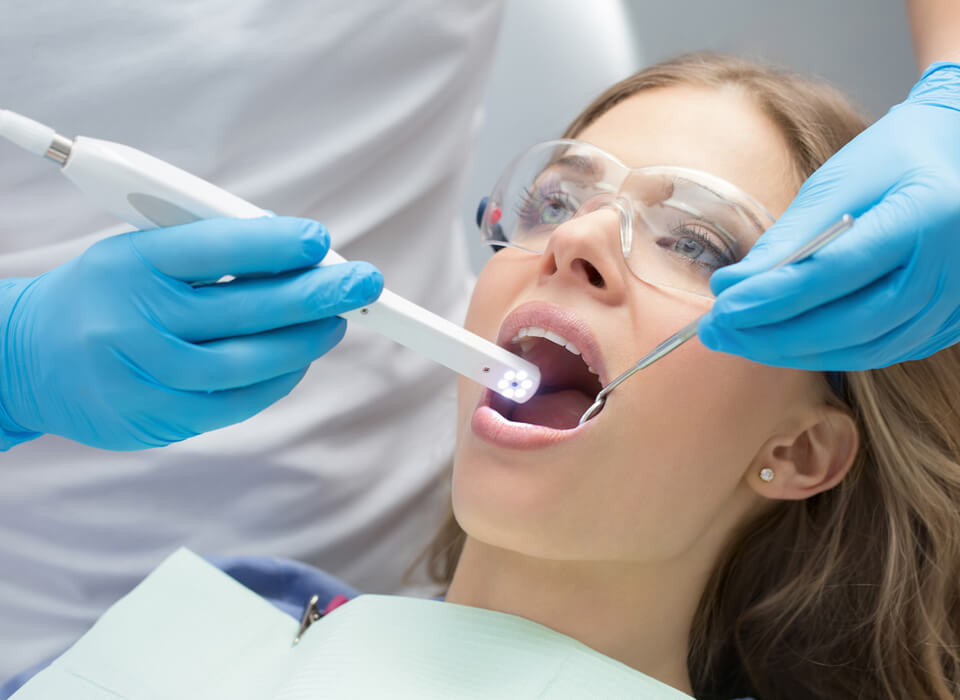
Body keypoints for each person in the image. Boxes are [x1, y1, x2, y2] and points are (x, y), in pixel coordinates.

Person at [9, 52, 958, 700]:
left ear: (799, 450)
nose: (578, 237)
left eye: (697, 244)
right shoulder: (228, 612)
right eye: (554, 198)